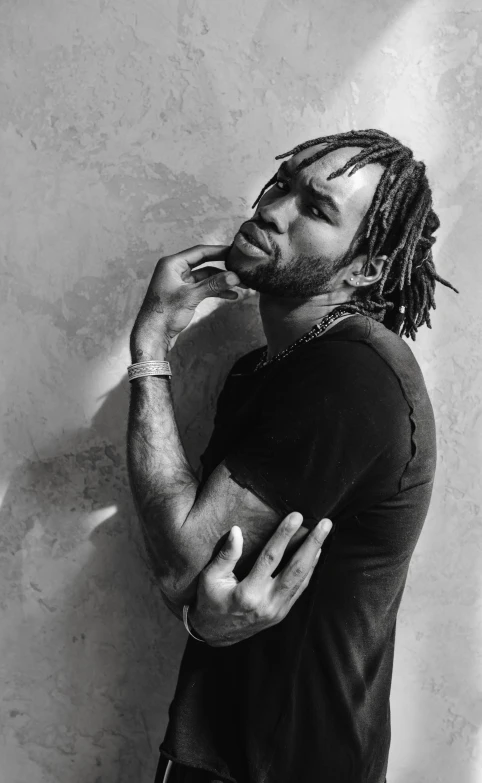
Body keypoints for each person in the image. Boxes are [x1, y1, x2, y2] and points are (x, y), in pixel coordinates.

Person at [126, 129, 458, 783]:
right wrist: (199, 615)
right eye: (284, 184)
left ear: (365, 269)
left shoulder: (353, 375)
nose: (273, 209)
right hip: (218, 751)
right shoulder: (266, 367)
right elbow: (199, 578)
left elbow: (182, 559)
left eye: (317, 208)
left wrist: (151, 348)